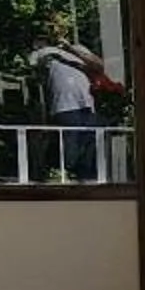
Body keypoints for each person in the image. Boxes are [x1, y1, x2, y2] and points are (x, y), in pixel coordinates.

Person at [29, 16, 107, 182]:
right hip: (65, 107)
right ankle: (60, 182)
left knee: (88, 155)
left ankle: (86, 185)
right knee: (68, 154)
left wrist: (70, 48)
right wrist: (52, 46)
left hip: (87, 106)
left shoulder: (77, 48)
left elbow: (99, 66)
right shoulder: (44, 52)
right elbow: (34, 64)